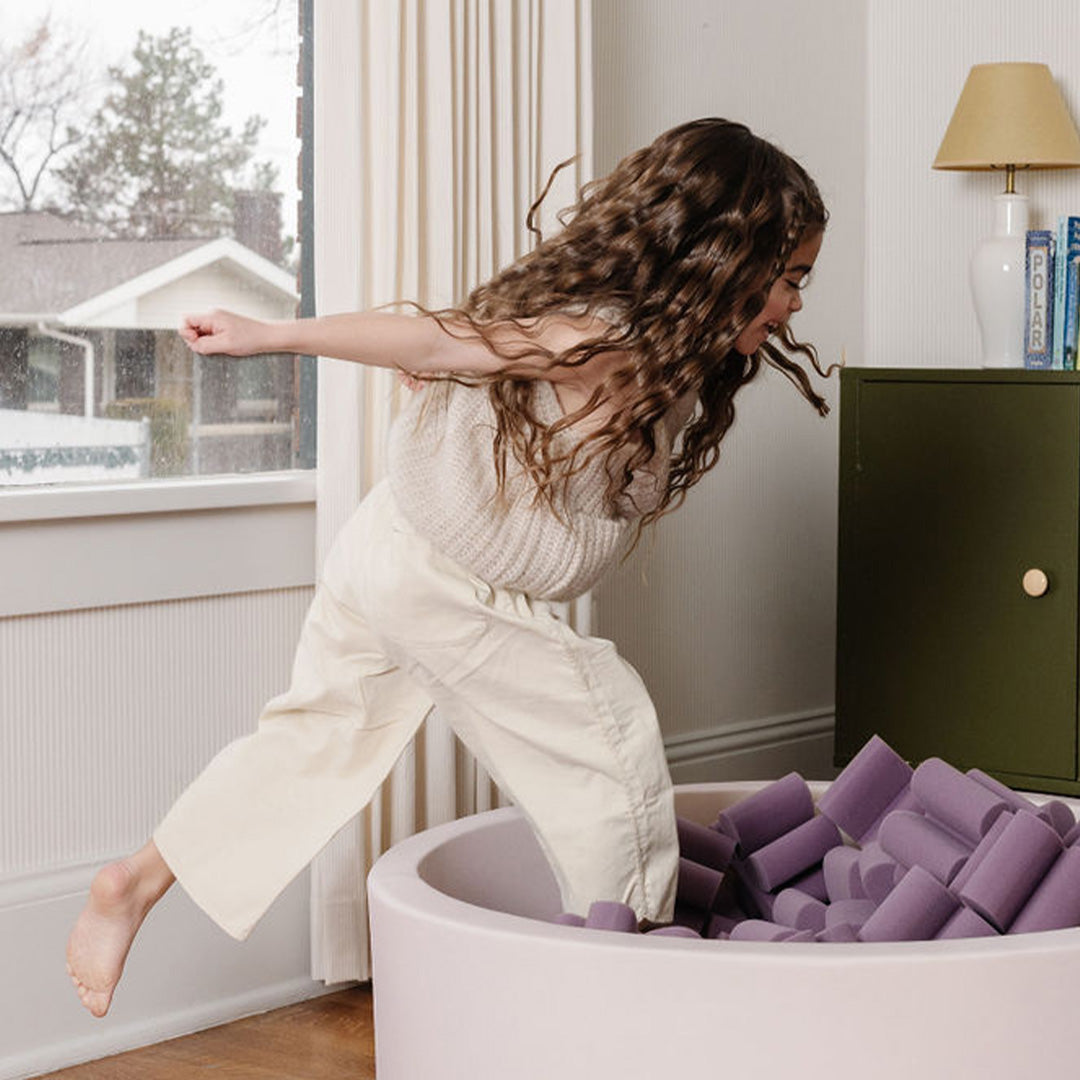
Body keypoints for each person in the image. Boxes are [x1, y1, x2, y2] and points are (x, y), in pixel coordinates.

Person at [66, 117, 833, 1018]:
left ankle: (137, 879)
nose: (793, 306)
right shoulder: (611, 339)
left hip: (388, 542)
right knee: (606, 738)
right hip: (443, 581)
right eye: (788, 279)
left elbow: (459, 356)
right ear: (725, 260)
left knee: (317, 735)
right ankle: (626, 977)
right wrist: (268, 334)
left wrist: (468, 381)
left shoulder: (640, 342)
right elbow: (432, 339)